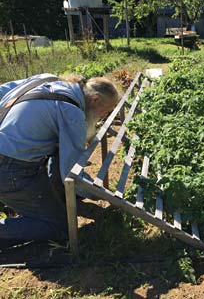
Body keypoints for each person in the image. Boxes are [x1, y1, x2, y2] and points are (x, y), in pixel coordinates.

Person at [0, 73, 119, 250]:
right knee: (60, 226)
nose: (102, 117)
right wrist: (105, 195)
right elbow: (71, 174)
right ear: (94, 100)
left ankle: (46, 197)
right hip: (11, 171)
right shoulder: (72, 113)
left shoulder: (47, 79)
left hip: (10, 158)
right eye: (105, 111)